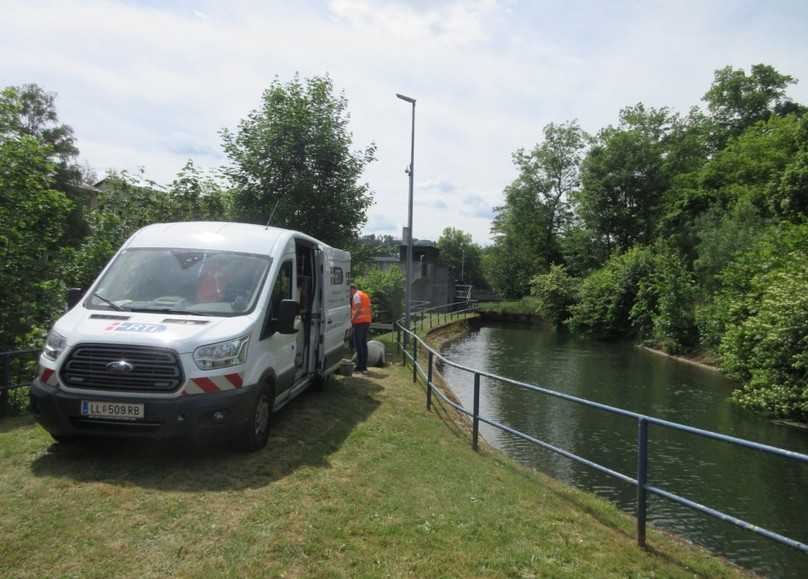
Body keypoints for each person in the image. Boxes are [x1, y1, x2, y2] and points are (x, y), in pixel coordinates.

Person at [350, 282, 372, 372]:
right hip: (366, 321)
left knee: (358, 345)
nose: (349, 293)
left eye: (349, 291)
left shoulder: (356, 296)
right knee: (363, 344)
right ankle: (364, 366)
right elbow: (370, 307)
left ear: (352, 289)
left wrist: (352, 320)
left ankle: (360, 366)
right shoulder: (364, 295)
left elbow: (358, 309)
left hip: (359, 322)